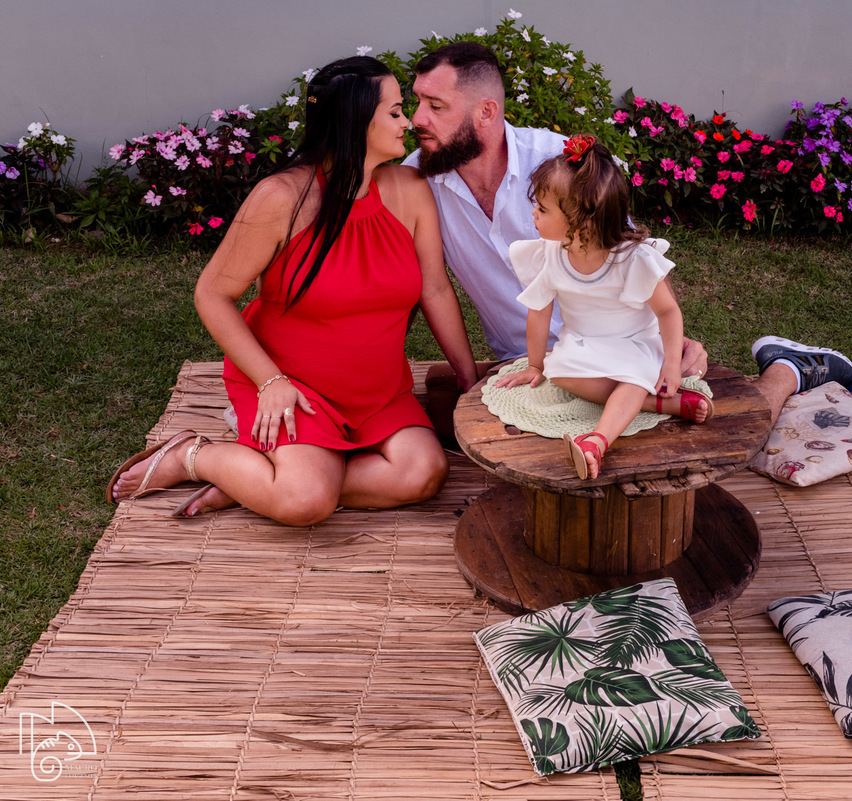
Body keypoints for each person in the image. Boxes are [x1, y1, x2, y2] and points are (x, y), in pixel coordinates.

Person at [106, 56, 479, 525]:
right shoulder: (281, 198)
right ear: (355, 122)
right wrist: (270, 380)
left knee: (423, 473)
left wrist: (468, 377)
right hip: (293, 388)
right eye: (395, 111)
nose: (408, 121)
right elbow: (212, 295)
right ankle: (191, 456)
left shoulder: (410, 190)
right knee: (305, 503)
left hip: (378, 391)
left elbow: (436, 290)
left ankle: (255, 480)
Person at [400, 42, 708, 435]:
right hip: (525, 361)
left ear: (486, 111)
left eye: (435, 106)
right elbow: (433, 285)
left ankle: (779, 370)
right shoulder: (417, 181)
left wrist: (669, 342)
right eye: (417, 101)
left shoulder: (559, 162)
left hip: (619, 347)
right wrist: (465, 375)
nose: (416, 118)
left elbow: (628, 248)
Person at [492, 134, 712, 479]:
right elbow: (539, 311)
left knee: (632, 375)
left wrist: (670, 363)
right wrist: (536, 366)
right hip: (585, 343)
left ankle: (596, 440)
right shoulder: (551, 255)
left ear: (581, 221)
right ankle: (663, 403)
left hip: (636, 343)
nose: (533, 212)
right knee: (559, 372)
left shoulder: (631, 259)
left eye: (543, 208)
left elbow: (667, 311)